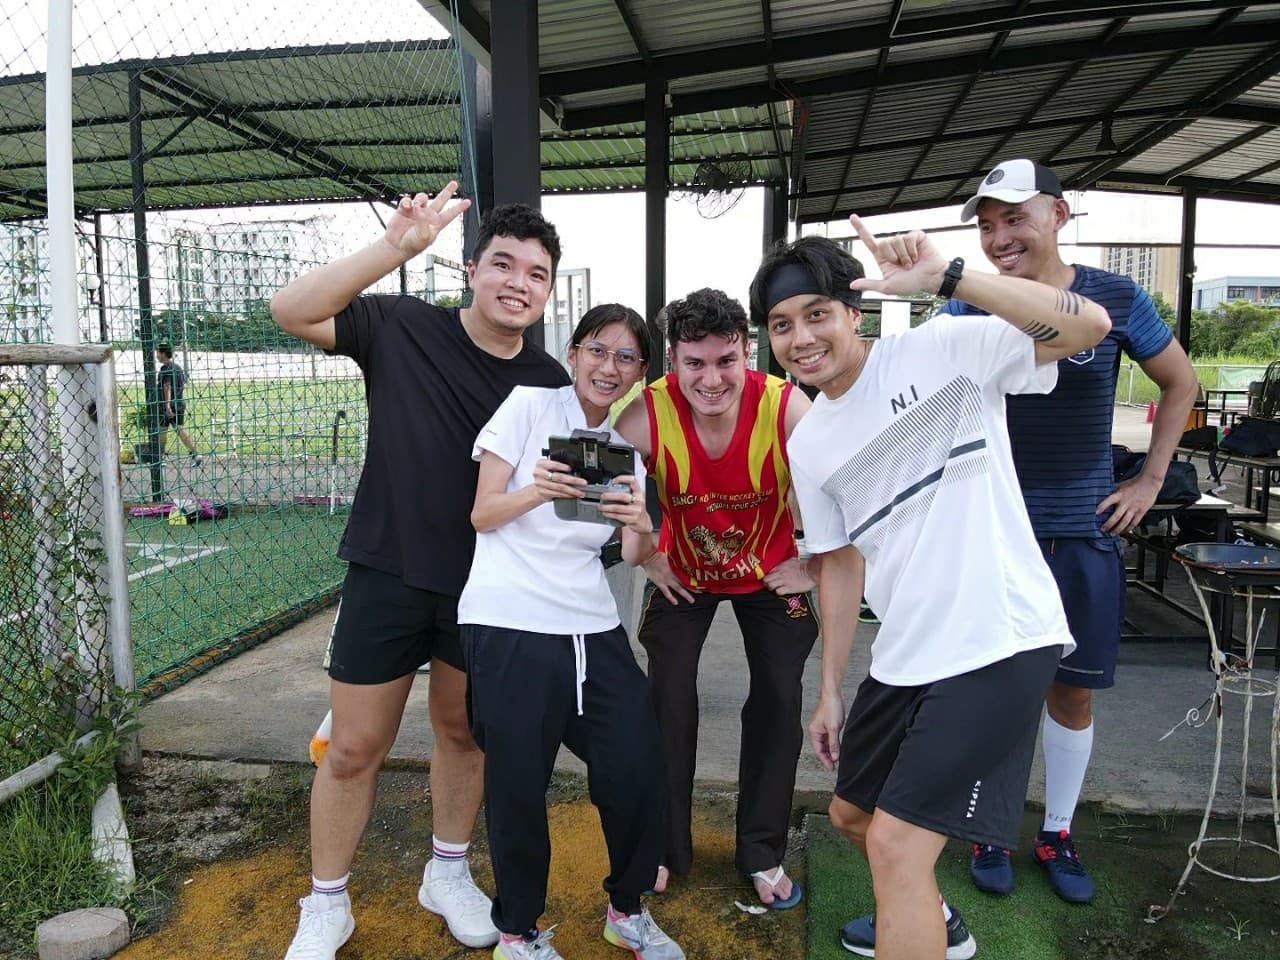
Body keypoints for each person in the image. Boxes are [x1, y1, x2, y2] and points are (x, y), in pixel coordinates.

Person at [752, 218, 1111, 960]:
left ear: (855, 311)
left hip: (998, 638)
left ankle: (919, 920)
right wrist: (831, 689)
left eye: (817, 313)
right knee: (853, 817)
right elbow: (841, 562)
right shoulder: (809, 440)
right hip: (907, 652)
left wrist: (951, 278)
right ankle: (937, 925)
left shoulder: (942, 350)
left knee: (894, 847)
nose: (801, 338)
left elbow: (1089, 327)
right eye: (782, 325)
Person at [270, 184, 571, 960]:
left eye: (536, 274)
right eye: (503, 264)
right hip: (388, 569)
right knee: (354, 748)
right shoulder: (403, 325)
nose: (518, 282)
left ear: (546, 293)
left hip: (487, 588)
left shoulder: (549, 386)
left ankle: (446, 872)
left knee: (463, 733)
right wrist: (393, 250)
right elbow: (292, 310)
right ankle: (326, 901)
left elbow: (555, 497)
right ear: (472, 269)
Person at [949, 159, 1198, 904]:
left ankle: (1056, 830)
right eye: (987, 225)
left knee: (1072, 694)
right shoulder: (969, 308)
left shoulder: (1116, 295)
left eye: (1014, 218)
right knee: (997, 690)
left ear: (1059, 214)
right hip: (995, 533)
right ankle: (991, 827)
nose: (999, 238)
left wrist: (1150, 480)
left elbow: (1180, 382)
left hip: (1082, 530)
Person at [459, 303, 684, 960]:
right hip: (510, 621)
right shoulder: (529, 407)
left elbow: (635, 553)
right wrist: (538, 488)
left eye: (625, 357)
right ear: (575, 351)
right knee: (520, 782)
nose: (608, 366)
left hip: (591, 627)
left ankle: (627, 908)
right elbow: (482, 513)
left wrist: (641, 518)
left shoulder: (621, 454)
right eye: (597, 349)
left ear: (642, 372)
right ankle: (518, 932)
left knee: (638, 763)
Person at [613, 288, 816, 908]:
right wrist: (649, 555)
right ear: (672, 360)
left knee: (779, 698)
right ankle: (665, 846)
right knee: (668, 695)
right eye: (694, 363)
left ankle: (761, 849)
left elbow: (847, 485)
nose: (711, 378)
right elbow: (605, 497)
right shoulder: (642, 415)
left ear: (747, 351)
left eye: (725, 360)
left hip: (770, 569)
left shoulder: (786, 405)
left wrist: (810, 561)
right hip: (687, 572)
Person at [156, 343, 201, 464]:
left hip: (169, 405)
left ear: (163, 354)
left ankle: (160, 458)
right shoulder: (177, 367)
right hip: (180, 403)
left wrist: (167, 405)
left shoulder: (165, 369)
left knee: (161, 431)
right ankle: (196, 454)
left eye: (158, 353)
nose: (156, 355)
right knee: (180, 430)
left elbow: (167, 387)